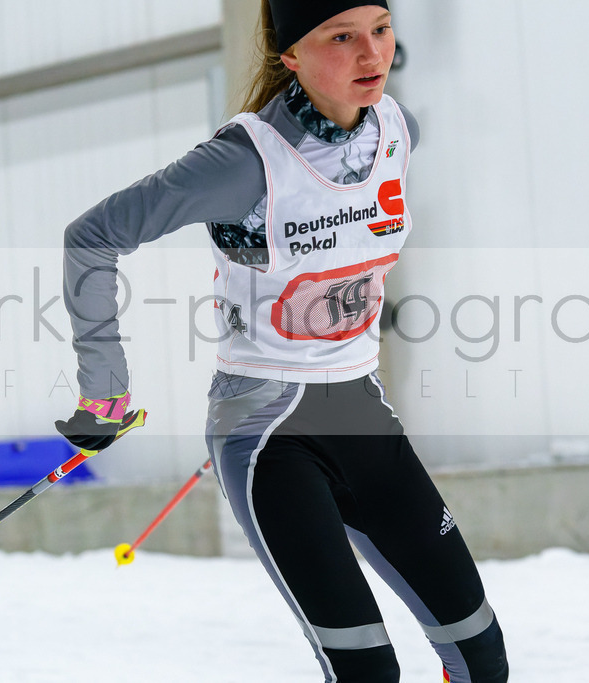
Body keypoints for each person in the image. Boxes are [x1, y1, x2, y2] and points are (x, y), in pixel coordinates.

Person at [55, 1, 509, 681]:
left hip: (363, 415)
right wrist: (104, 388)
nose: (372, 55)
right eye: (343, 37)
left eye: (382, 32)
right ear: (291, 55)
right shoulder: (243, 163)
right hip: (272, 433)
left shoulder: (397, 130)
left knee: (482, 656)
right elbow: (91, 237)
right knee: (367, 673)